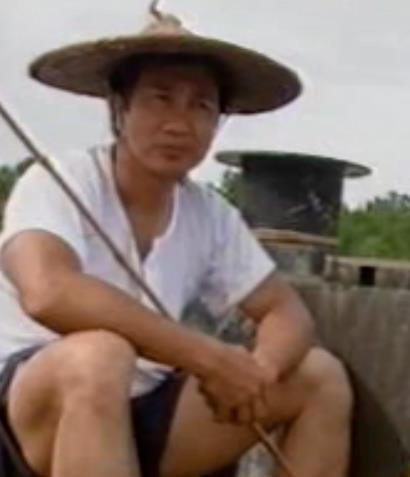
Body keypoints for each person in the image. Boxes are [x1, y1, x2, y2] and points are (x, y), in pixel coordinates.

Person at [0, 3, 352, 477]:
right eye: (159, 99)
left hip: (147, 408)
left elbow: (285, 312)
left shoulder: (209, 214)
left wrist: (255, 374)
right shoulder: (60, 180)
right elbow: (48, 292)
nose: (178, 124)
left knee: (319, 375)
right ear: (120, 108)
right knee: (100, 355)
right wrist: (209, 359)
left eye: (201, 106)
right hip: (33, 417)